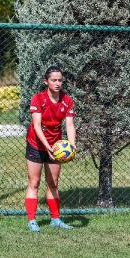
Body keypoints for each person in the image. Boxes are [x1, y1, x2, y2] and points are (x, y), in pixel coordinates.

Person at [24, 65, 77, 232]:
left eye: (60, 80)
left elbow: (69, 125)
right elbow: (37, 126)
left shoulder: (67, 100)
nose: (57, 83)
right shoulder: (38, 99)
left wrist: (72, 145)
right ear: (46, 82)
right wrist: (47, 147)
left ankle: (56, 219)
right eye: (54, 80)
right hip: (36, 144)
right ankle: (32, 220)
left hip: (56, 146)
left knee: (53, 183)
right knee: (34, 182)